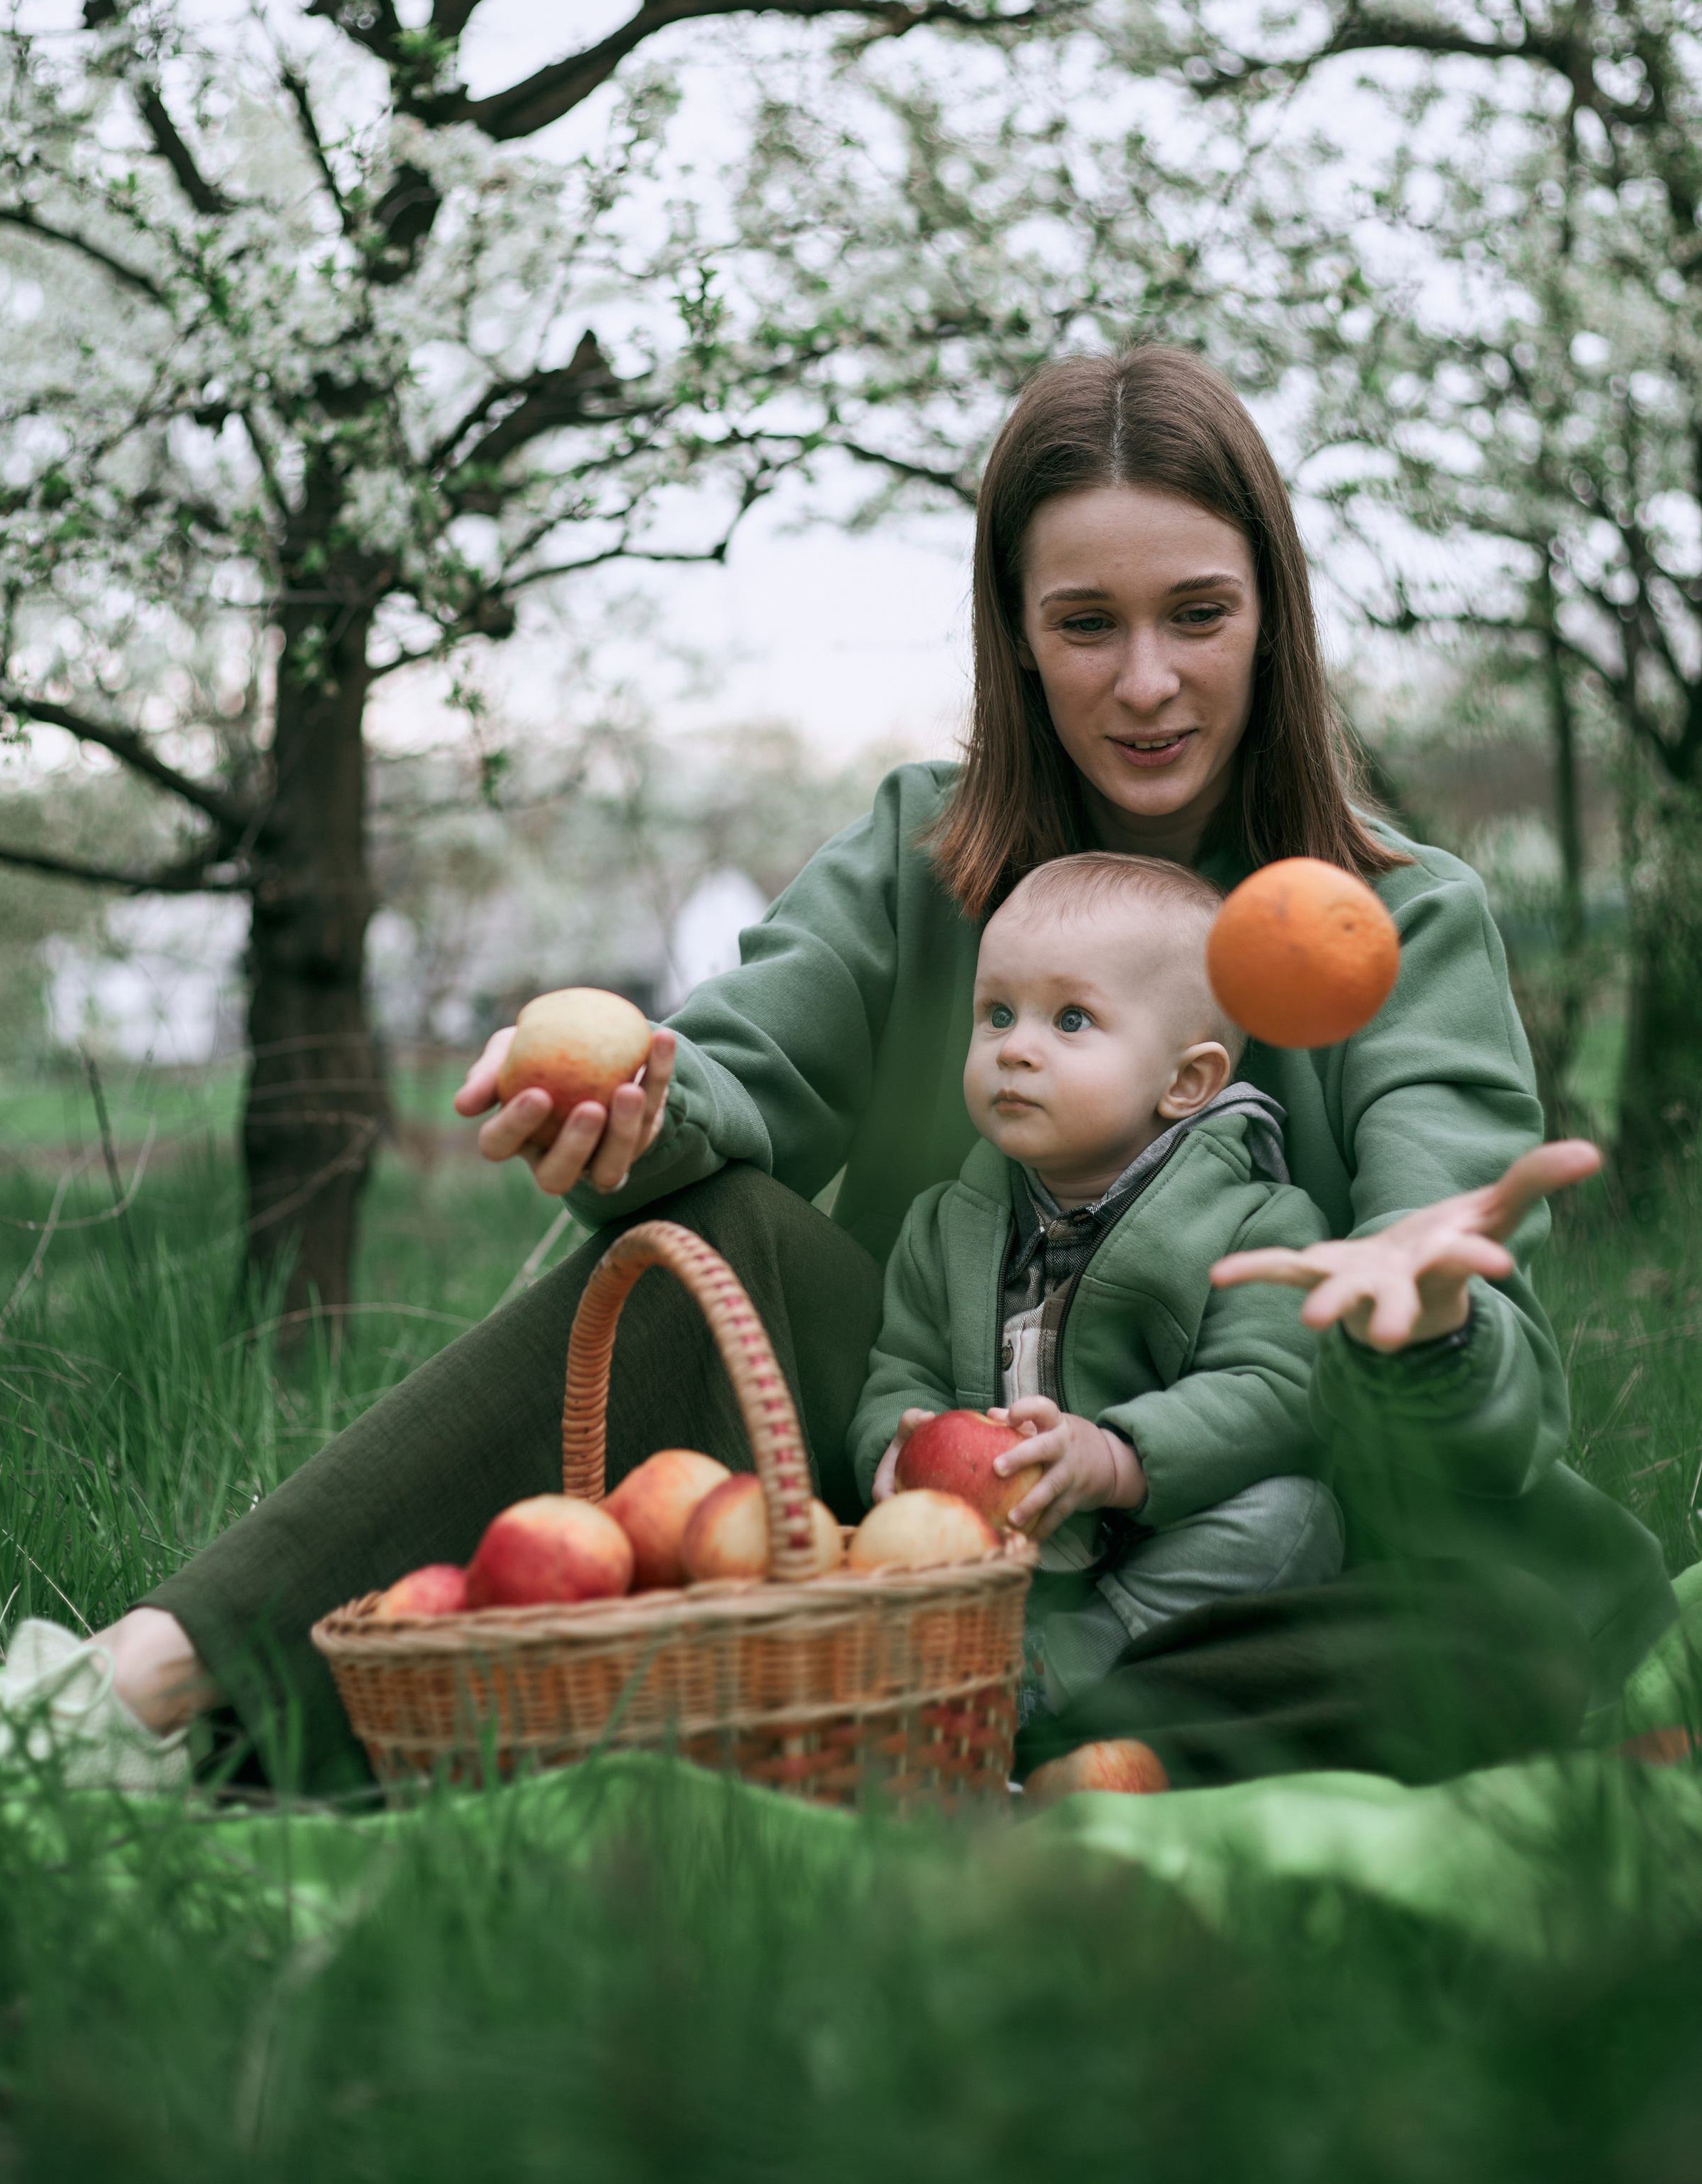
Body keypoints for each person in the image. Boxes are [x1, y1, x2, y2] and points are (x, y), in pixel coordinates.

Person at [94, 341, 1675, 1792]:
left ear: (1271, 612)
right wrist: (632, 1099)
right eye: (1084, 623)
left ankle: (943, 1736)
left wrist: (1428, 1324)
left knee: (1486, 1634)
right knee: (725, 1234)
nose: (1144, 681)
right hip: (938, 1528)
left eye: (1196, 613)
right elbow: (732, 1071)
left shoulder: (1399, 920)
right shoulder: (926, 855)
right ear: (1015, 635)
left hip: (1285, 1537)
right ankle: (154, 1678)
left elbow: (1494, 1423)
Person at [852, 848, 1345, 1720]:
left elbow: (1275, 1391)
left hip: (1153, 1543)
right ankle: (950, 1672)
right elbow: (901, 1368)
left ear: (1186, 1081)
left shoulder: (1254, 1224)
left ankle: (1069, 1667)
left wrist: (1117, 1459)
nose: (1016, 1051)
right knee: (890, 1560)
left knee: (1289, 1517)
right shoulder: (945, 1223)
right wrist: (891, 1452)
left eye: (1070, 1020)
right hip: (987, 1550)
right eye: (996, 1014)